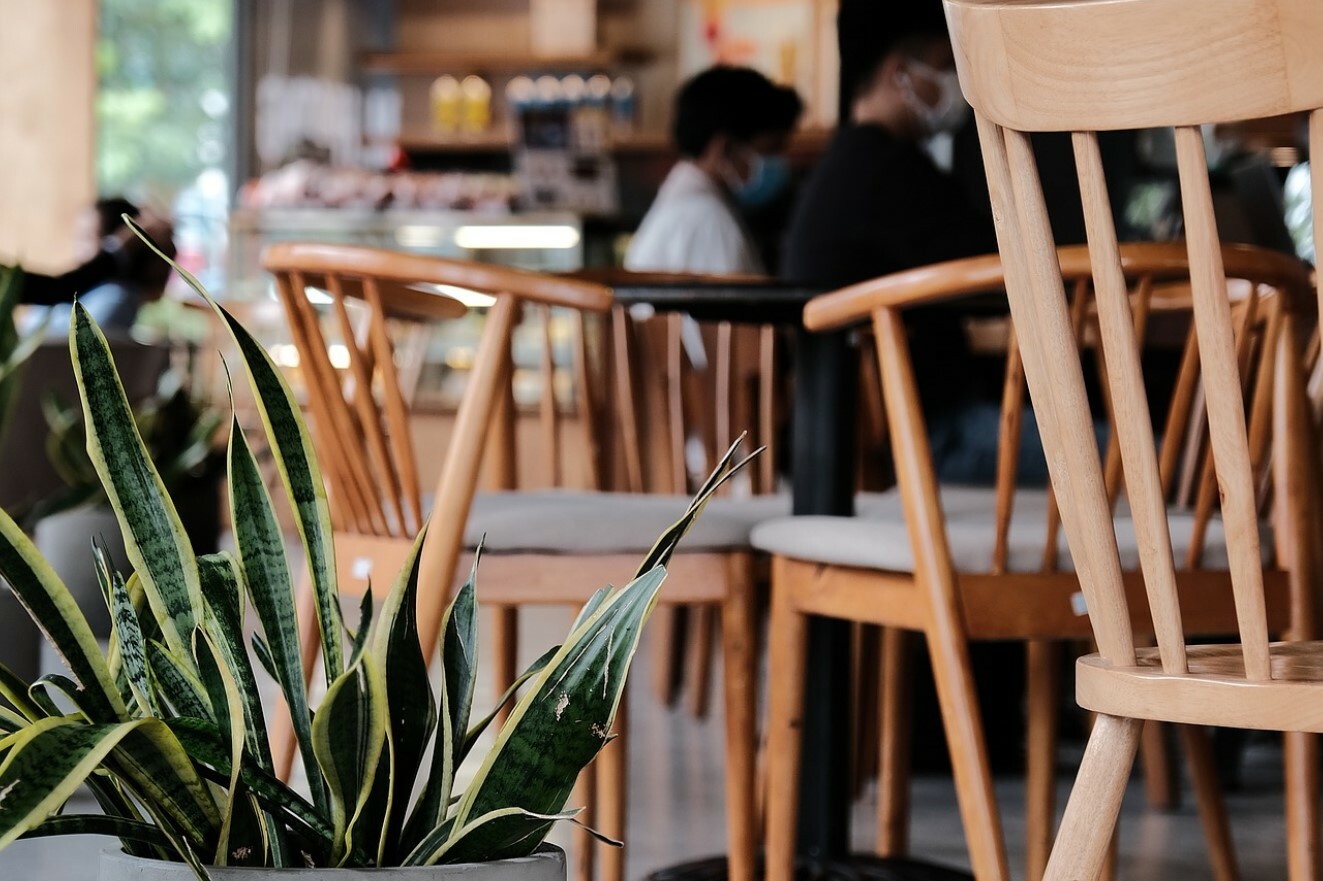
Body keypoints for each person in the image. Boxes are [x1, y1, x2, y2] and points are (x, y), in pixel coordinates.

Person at [626, 66, 802, 275]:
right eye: (771, 149)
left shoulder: (690, 204)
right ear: (725, 148)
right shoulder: (706, 218)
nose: (780, 161)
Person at [14, 198, 175, 332]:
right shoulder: (79, 296)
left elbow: (58, 289)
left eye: (88, 238)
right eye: (78, 238)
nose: (79, 249)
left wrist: (120, 248)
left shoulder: (115, 297)